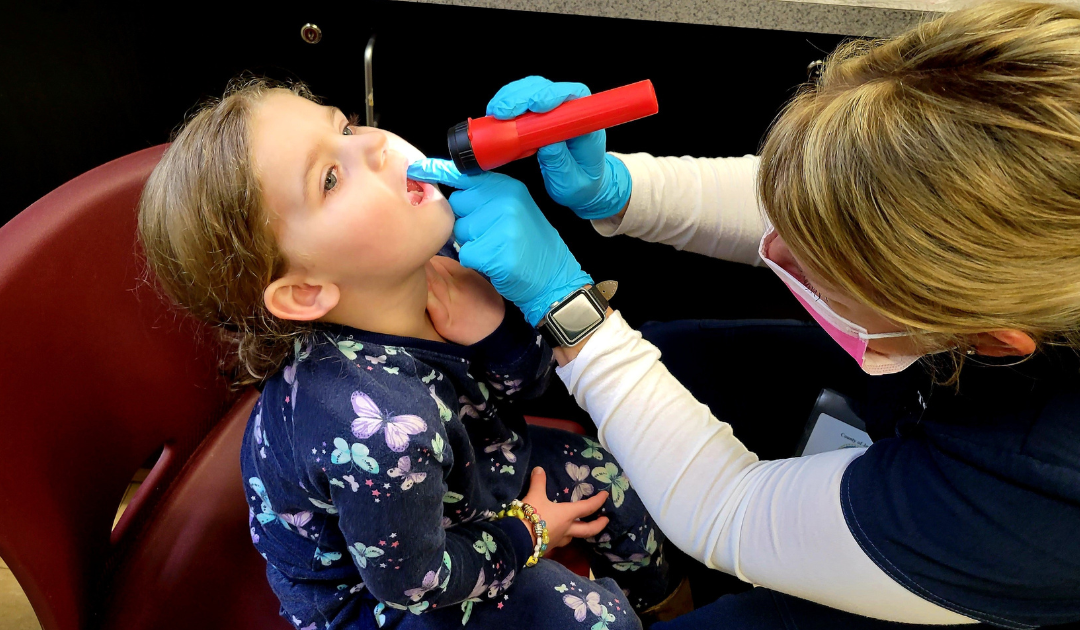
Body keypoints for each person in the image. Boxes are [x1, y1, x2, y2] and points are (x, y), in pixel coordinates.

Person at [406, 2, 1080, 628]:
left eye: (818, 261)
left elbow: (727, 512)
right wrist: (617, 189)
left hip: (1001, 558)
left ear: (986, 337)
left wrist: (568, 311)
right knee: (672, 360)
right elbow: (845, 200)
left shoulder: (1067, 498)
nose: (775, 250)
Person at [136, 78, 676, 629]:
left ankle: (668, 605)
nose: (373, 144)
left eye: (344, 127)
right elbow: (414, 583)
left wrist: (495, 330)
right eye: (329, 178)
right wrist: (527, 531)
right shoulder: (372, 425)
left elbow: (529, 386)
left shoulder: (424, 251)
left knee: (609, 477)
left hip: (466, 474)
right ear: (305, 293)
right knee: (594, 619)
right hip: (385, 593)